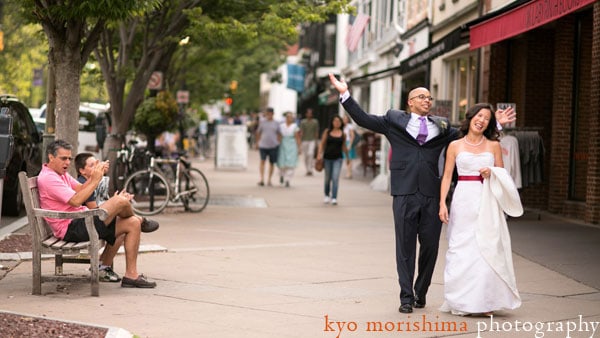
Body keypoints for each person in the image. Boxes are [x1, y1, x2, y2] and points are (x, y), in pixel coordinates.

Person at [328, 73, 515, 313]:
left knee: (430, 246)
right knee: (404, 246)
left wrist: (494, 123)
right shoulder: (393, 121)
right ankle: (406, 297)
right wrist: (345, 94)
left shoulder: (443, 126)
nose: (427, 100)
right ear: (410, 102)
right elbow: (363, 119)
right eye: (422, 97)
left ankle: (421, 291)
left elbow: (466, 135)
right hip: (404, 192)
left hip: (431, 192)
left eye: (430, 97)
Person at [38, 140, 159, 288]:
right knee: (120, 201)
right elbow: (76, 201)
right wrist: (95, 180)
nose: (68, 162)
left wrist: (97, 175)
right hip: (71, 228)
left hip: (82, 220)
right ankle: (142, 219)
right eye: (64, 158)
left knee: (132, 223)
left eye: (69, 158)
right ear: (51, 158)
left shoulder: (60, 174)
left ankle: (131, 275)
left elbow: (80, 188)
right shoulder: (48, 178)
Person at [438, 103, 522, 316]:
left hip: (486, 199)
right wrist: (442, 204)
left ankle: (484, 302)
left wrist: (491, 172)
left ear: (489, 123)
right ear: (471, 117)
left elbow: (503, 174)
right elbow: (447, 176)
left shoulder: (494, 145)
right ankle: (462, 301)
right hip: (463, 199)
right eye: (479, 115)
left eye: (486, 118)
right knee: (462, 248)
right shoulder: (455, 145)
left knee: (486, 248)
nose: (481, 120)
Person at [317, 115, 348, 206]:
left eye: (338, 121)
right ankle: (326, 195)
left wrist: (348, 158)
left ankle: (334, 197)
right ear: (332, 122)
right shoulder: (327, 132)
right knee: (327, 179)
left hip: (338, 158)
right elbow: (322, 144)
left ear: (341, 123)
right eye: (335, 121)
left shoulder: (343, 134)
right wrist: (319, 154)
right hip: (327, 158)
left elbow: (344, 146)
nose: (337, 123)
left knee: (335, 178)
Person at [255, 107, 281, 186]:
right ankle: (262, 179)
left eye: (270, 113)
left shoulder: (276, 123)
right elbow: (258, 132)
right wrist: (257, 143)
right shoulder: (262, 122)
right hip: (263, 145)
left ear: (273, 114)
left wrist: (278, 142)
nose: (269, 115)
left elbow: (279, 133)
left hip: (273, 145)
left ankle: (269, 180)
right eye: (267, 113)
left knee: (271, 163)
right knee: (262, 161)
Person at [277, 112, 302, 187]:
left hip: (292, 145)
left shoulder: (295, 126)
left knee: (291, 163)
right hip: (283, 144)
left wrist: (299, 147)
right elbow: (279, 136)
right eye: (288, 117)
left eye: (291, 117)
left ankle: (287, 180)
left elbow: (297, 137)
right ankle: (281, 175)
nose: (289, 118)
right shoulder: (281, 126)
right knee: (282, 162)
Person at [299, 108, 320, 176]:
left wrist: (316, 142)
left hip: (312, 140)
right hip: (304, 140)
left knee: (310, 154)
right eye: (308, 113)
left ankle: (310, 169)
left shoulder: (315, 122)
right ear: (306, 114)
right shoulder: (303, 122)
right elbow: (301, 132)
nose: (309, 114)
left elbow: (316, 132)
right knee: (305, 156)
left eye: (310, 113)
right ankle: (307, 169)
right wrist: (299, 142)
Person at [342, 114, 357, 179]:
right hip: (344, 143)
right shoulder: (342, 127)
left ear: (348, 120)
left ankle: (349, 173)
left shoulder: (350, 126)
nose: (345, 120)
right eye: (344, 119)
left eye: (346, 119)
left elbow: (352, 136)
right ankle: (348, 172)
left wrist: (350, 145)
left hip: (348, 143)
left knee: (350, 159)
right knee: (346, 158)